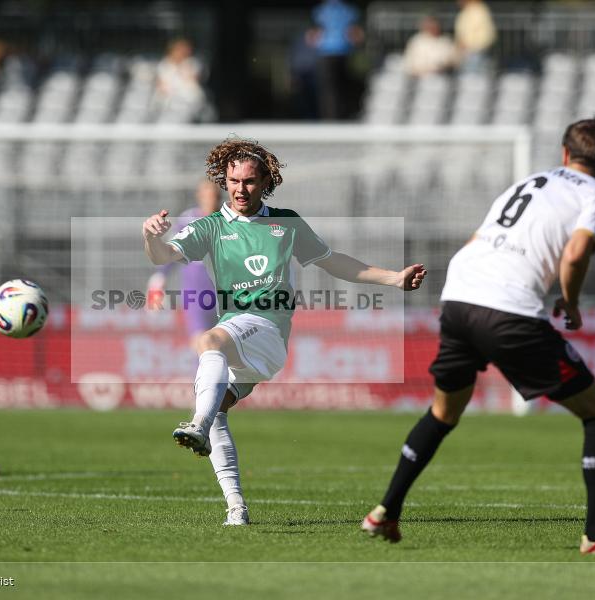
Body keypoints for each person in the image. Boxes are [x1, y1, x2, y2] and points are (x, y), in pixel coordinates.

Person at [361, 119, 595, 554]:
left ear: (565, 154)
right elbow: (575, 253)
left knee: (443, 412)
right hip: (508, 310)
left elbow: (480, 237)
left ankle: (384, 513)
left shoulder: (532, 180)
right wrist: (569, 303)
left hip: (458, 295)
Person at [143, 138, 427, 525]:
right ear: (223, 182)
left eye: (249, 181)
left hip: (267, 332)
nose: (240, 189)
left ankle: (198, 424)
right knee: (216, 405)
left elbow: (334, 263)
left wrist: (394, 278)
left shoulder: (285, 223)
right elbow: (163, 257)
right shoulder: (209, 227)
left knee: (209, 341)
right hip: (244, 344)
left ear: (266, 182)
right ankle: (236, 508)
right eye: (233, 181)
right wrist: (150, 236)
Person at [146, 180, 222, 352]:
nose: (212, 198)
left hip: (224, 291)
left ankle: (224, 378)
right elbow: (171, 250)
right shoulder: (188, 220)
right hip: (195, 291)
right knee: (200, 341)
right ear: (199, 196)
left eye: (215, 194)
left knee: (223, 343)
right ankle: (204, 378)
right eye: (207, 193)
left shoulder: (228, 220)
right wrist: (159, 279)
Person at [311, 0, 365, 120]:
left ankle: (331, 118)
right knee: (342, 88)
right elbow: (357, 35)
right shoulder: (350, 10)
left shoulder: (321, 10)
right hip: (344, 53)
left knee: (329, 90)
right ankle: (342, 116)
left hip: (327, 53)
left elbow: (313, 35)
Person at [454, 0, 496, 73]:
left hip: (474, 52)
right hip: (467, 52)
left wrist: (471, 46)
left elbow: (486, 34)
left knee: (472, 78)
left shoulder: (478, 11)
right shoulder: (467, 11)